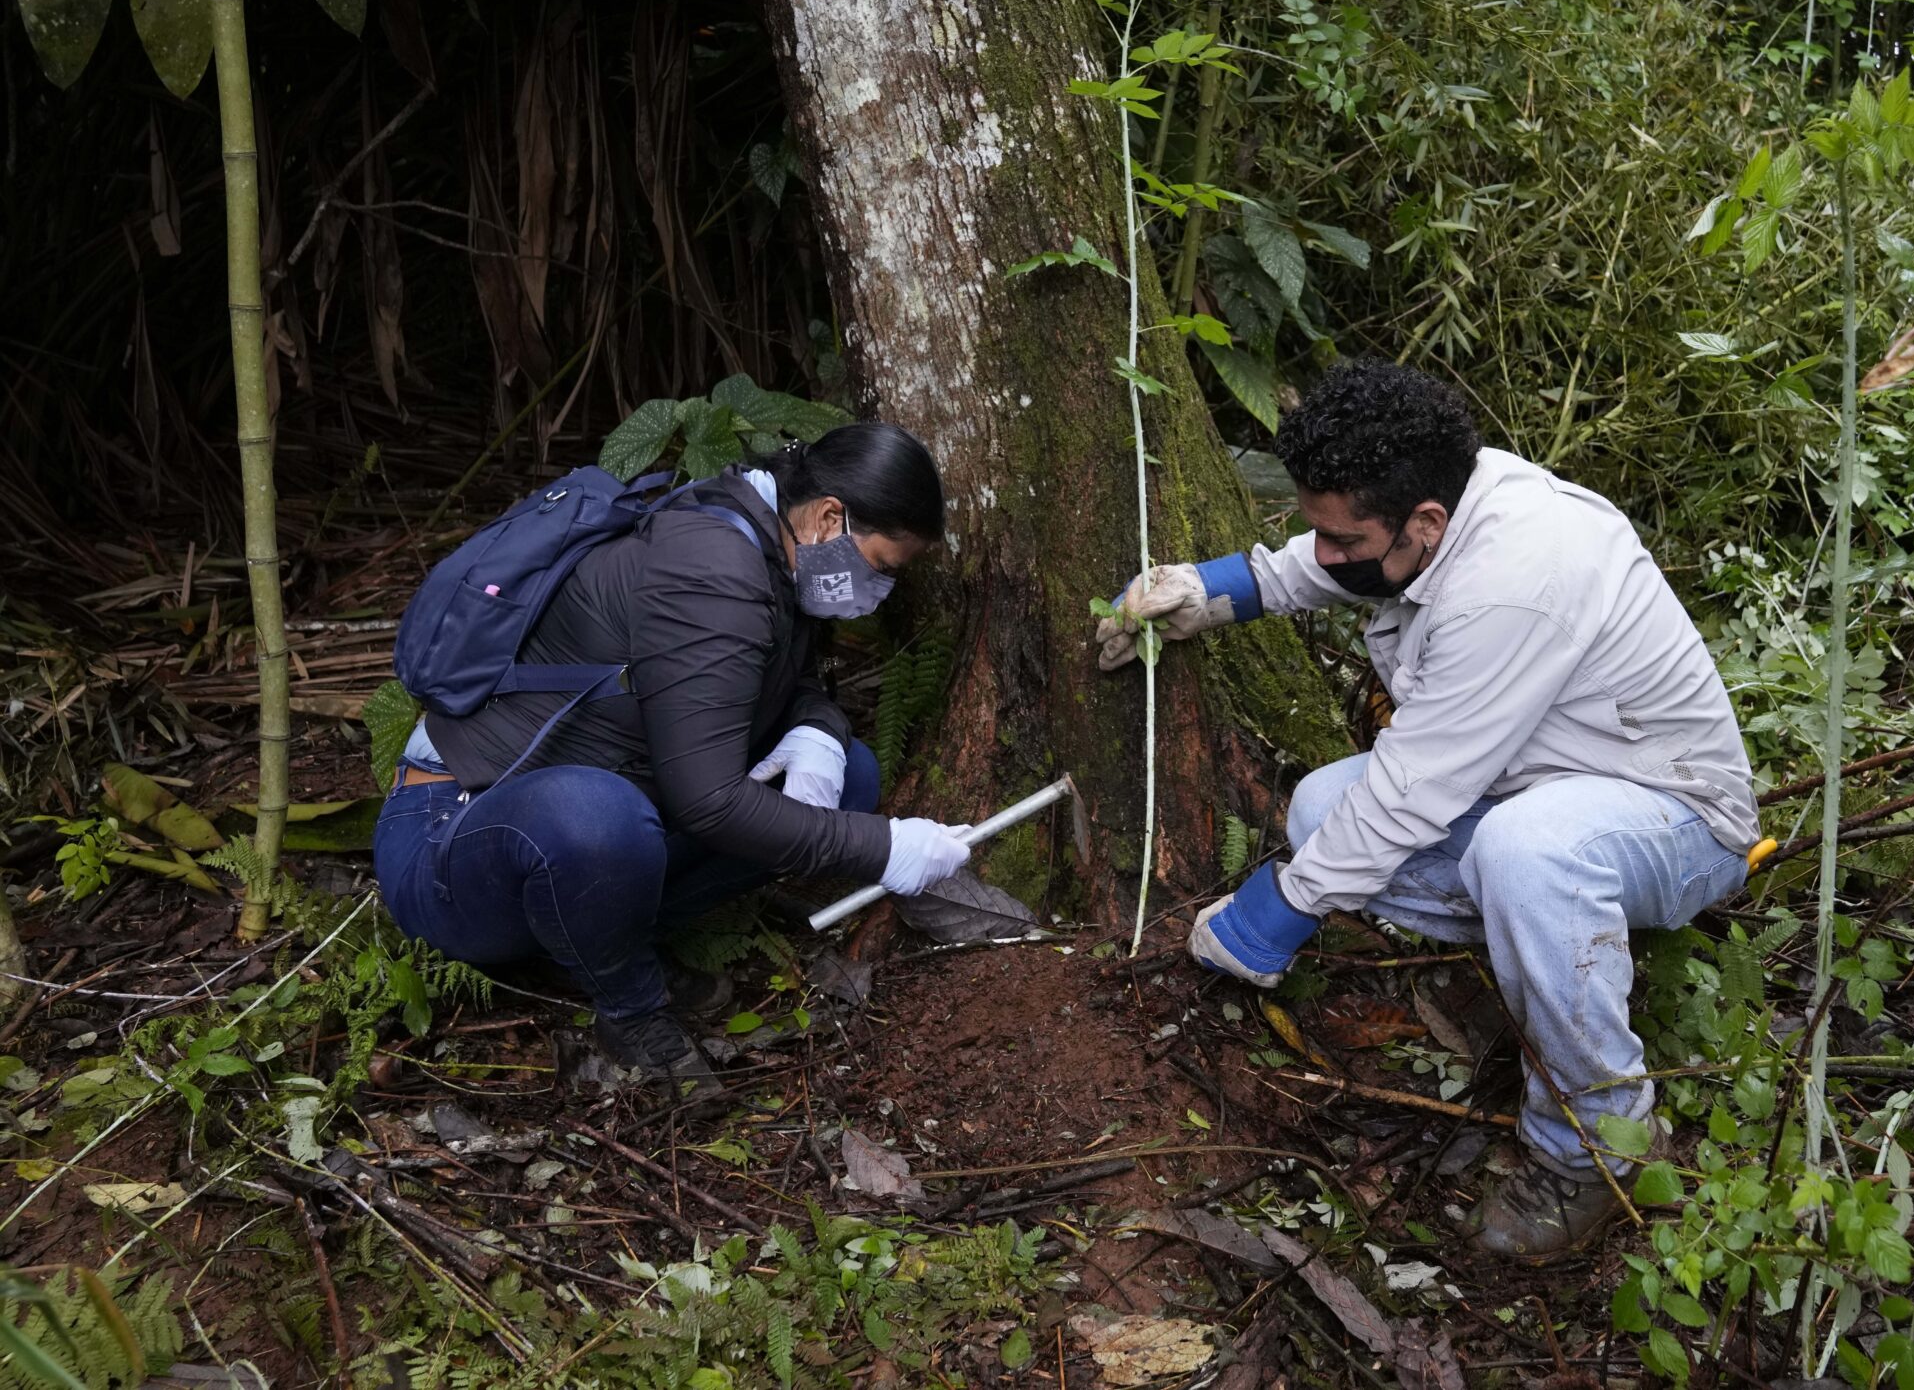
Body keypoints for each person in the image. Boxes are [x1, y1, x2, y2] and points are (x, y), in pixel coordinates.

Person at [1097, 360, 1760, 1258]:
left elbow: (1415, 789)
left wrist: (1272, 917)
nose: (1328, 553)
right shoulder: (1443, 500)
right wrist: (1211, 590)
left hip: (1676, 817)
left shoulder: (1515, 577)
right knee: (1325, 809)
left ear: (1426, 523)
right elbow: (1343, 563)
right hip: (1546, 787)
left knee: (1525, 855)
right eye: (1316, 530)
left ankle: (1595, 1148)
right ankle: (1551, 954)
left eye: (1345, 537)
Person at [375, 423, 976, 1100]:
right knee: (601, 819)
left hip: (585, 817)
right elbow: (707, 800)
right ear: (832, 515)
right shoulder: (713, 569)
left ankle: (591, 934)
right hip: (450, 839)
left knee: (851, 774)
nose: (881, 589)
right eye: (884, 566)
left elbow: (781, 678)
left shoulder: (768, 531)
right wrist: (883, 848)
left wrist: (818, 732)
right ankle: (630, 1004)